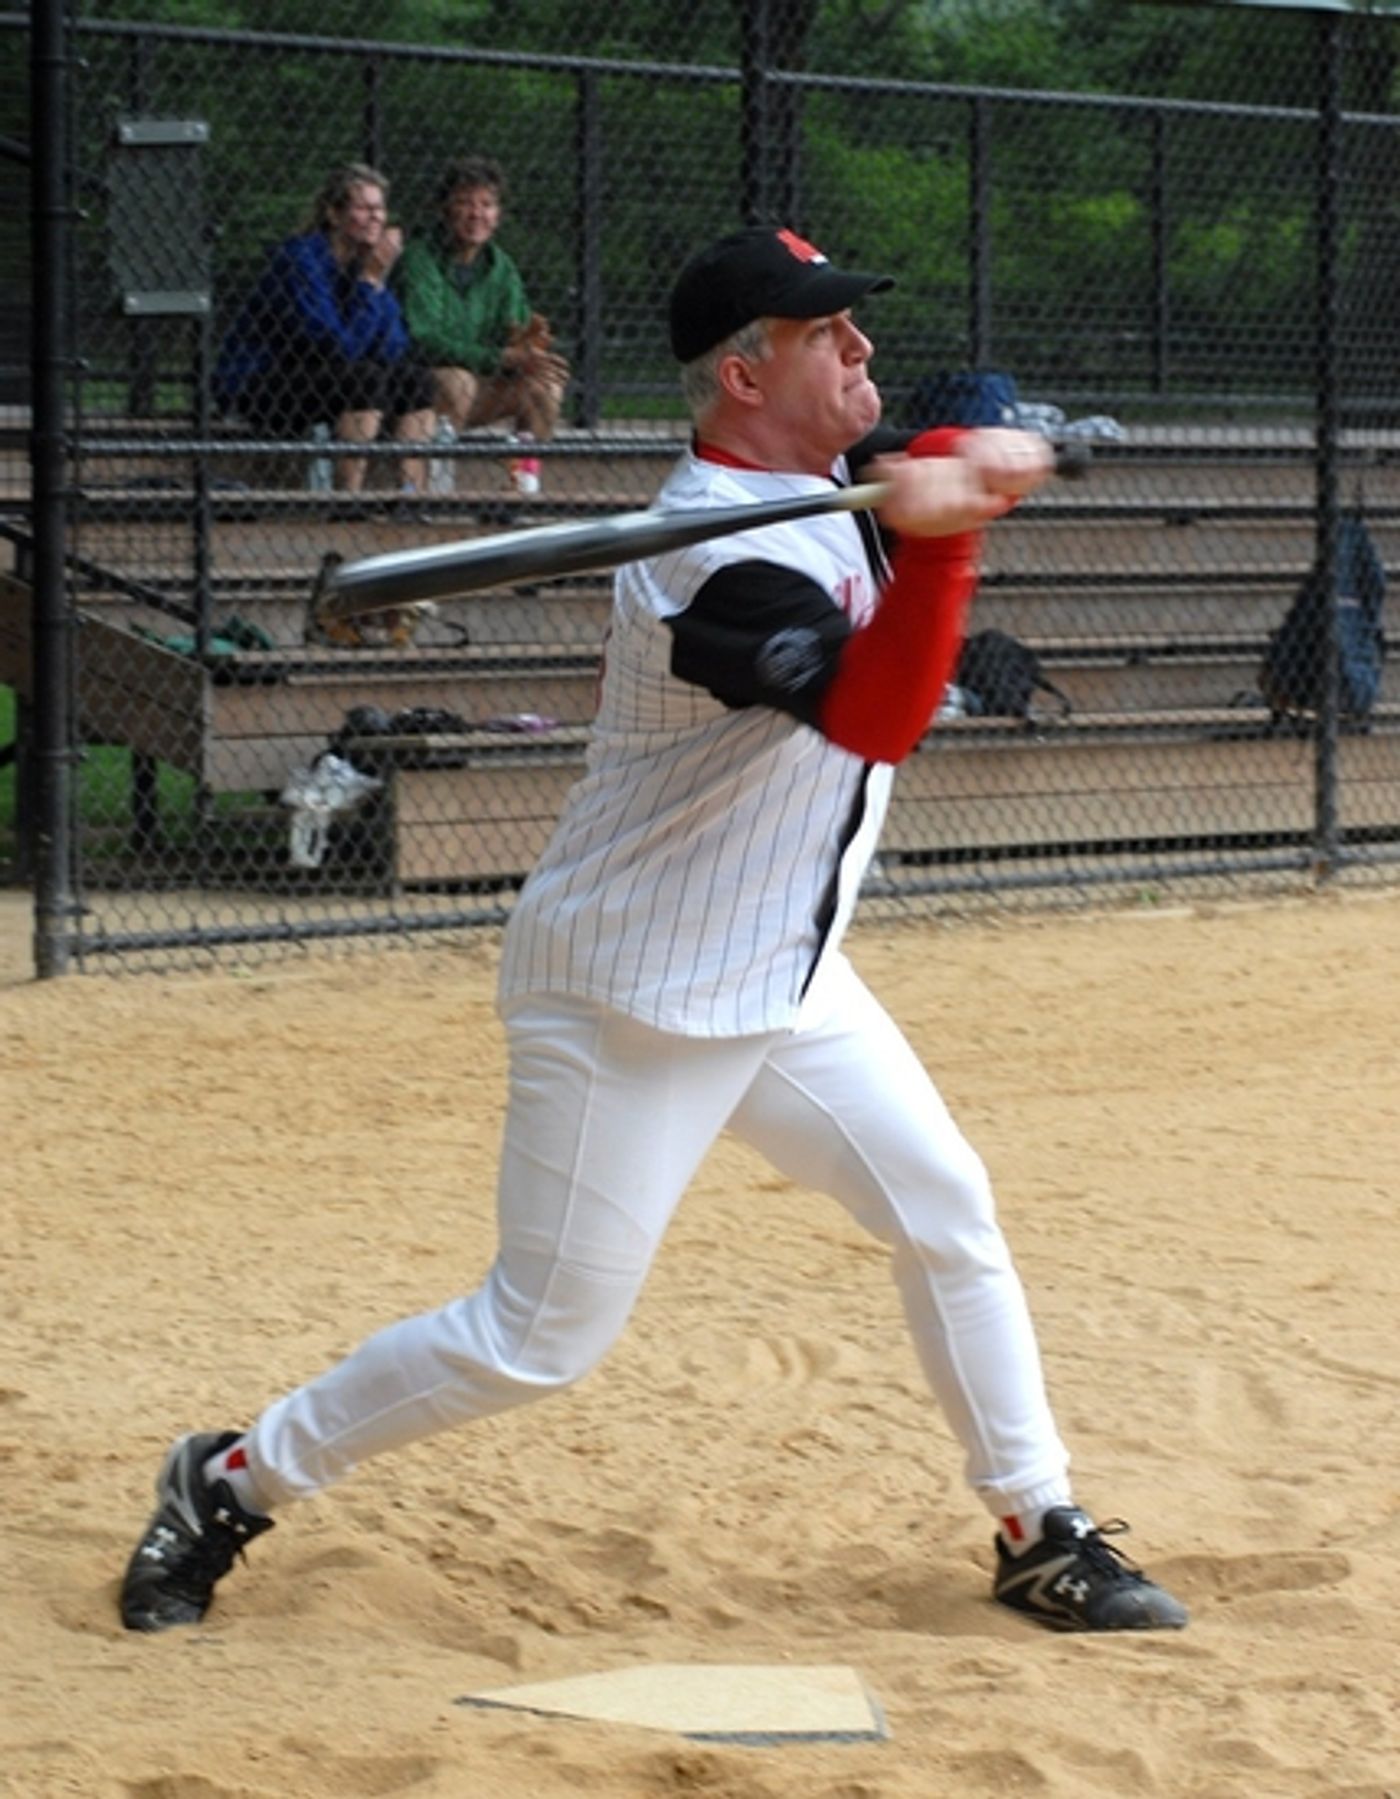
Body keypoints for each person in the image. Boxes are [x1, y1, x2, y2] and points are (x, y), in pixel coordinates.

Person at [120, 225, 1188, 1638]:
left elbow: (937, 424)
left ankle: (1035, 1518)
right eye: (825, 335)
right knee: (536, 1335)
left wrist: (977, 444)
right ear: (744, 375)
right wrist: (944, 543)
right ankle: (234, 1477)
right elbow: (878, 714)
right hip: (634, 990)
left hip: (781, 977)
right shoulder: (703, 563)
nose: (860, 347)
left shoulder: (822, 483)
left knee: (949, 1213)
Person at [215, 162, 436, 494]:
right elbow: (334, 347)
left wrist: (373, 285)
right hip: (262, 383)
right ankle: (348, 497)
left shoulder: (365, 264)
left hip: (327, 376)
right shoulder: (301, 260)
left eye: (380, 208)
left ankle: (411, 495)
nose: (376, 217)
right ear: (334, 215)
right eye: (363, 208)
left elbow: (393, 347)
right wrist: (370, 282)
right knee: (364, 378)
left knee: (416, 380)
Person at [394, 156, 570, 463]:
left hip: (482, 382)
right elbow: (423, 338)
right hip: (417, 385)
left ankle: (521, 486)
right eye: (465, 203)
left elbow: (515, 327)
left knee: (546, 386)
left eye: (487, 204)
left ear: (498, 215)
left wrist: (530, 348)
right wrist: (498, 357)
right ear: (444, 209)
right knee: (457, 382)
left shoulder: (501, 267)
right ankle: (436, 480)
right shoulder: (420, 258)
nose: (477, 214)